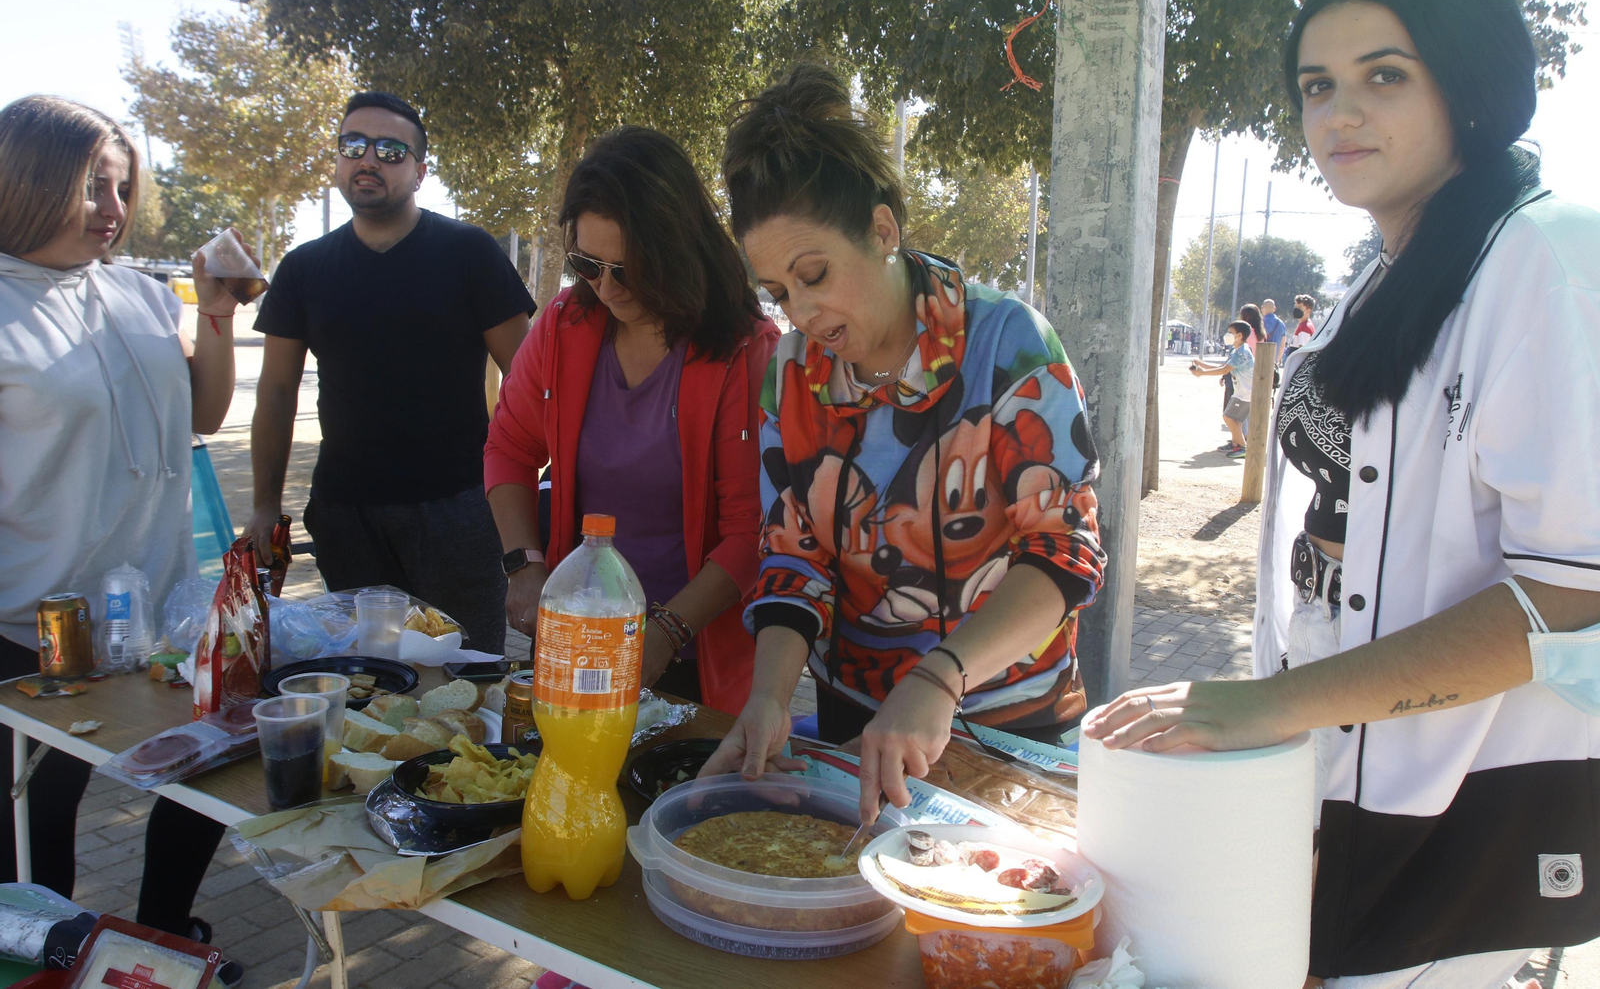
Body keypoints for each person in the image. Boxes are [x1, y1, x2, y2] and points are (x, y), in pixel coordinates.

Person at [1085, 0, 1600, 989]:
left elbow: (1567, 598)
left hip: (1467, 828)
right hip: (1338, 794)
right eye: (1317, 86)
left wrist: (1271, 707)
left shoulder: (1545, 255)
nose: (1337, 114)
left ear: (1467, 83)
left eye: (1384, 76)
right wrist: (1278, 714)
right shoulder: (1386, 274)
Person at [700, 64, 1107, 824]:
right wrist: (766, 700)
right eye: (779, 293)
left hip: (1012, 721)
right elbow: (794, 559)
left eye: (815, 274)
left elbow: (1062, 554)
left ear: (883, 231)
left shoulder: (1008, 343)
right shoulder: (790, 373)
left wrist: (940, 679)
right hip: (861, 719)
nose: (803, 312)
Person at [0, 96, 244, 982]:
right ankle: (53, 967)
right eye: (90, 184)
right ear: (25, 180)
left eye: (123, 185)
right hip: (32, 633)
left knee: (207, 779)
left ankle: (158, 950)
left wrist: (212, 312)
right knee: (35, 850)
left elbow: (206, 413)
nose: (112, 205)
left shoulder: (142, 293)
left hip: (163, 622)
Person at [483, 126, 778, 711]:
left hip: (697, 656)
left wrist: (665, 634)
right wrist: (524, 564)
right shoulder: (565, 325)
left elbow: (752, 532)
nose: (608, 288)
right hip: (581, 640)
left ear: (678, 248)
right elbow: (509, 448)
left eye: (630, 268)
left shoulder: (745, 350)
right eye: (589, 265)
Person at [247, 92, 535, 651]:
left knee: (466, 673)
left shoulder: (468, 253)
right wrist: (263, 505)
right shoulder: (304, 268)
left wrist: (523, 509)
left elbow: (526, 384)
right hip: (345, 513)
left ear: (420, 171)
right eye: (353, 146)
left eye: (390, 149)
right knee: (369, 680)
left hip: (458, 510)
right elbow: (277, 393)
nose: (368, 160)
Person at [1190, 321, 1254, 458]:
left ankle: (1242, 447)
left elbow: (1224, 370)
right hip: (1243, 392)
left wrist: (1202, 373)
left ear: (1239, 335)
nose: (1227, 335)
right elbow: (1224, 366)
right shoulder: (1237, 350)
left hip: (1246, 393)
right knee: (1236, 420)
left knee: (1228, 417)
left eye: (1230, 332)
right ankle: (1237, 445)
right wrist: (1202, 365)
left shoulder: (1242, 352)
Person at [1261, 298, 1289, 364]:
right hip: (1274, 361)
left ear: (1262, 308)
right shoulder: (1281, 324)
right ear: (1274, 308)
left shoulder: (1260, 322)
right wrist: (1277, 360)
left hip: (1261, 360)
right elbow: (1282, 345)